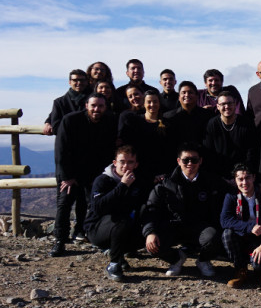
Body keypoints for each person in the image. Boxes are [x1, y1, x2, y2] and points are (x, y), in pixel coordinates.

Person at [142, 144, 228, 278]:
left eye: (194, 160)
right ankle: (176, 259)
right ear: (178, 161)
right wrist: (150, 232)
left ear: (200, 161)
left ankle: (203, 260)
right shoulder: (165, 183)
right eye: (185, 160)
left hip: (200, 227)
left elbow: (230, 196)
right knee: (153, 245)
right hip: (174, 226)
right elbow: (151, 209)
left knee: (215, 237)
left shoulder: (212, 181)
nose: (190, 163)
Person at [51, 93, 117, 256]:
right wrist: (67, 176)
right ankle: (60, 240)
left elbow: (109, 150)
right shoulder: (70, 120)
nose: (97, 109)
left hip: (94, 172)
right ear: (86, 105)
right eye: (93, 105)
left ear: (105, 107)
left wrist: (105, 176)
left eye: (100, 106)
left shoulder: (109, 122)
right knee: (65, 203)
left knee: (95, 205)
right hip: (69, 171)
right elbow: (61, 150)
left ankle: (97, 238)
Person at [85, 145, 151, 282]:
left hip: (123, 228)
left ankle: (119, 252)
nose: (125, 165)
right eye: (122, 161)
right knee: (122, 220)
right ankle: (114, 264)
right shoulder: (102, 180)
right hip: (97, 229)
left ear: (136, 164)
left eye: (130, 162)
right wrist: (122, 186)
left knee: (145, 231)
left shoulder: (137, 182)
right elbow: (98, 208)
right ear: (115, 163)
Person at [220, 164, 261, 290]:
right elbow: (225, 220)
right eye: (240, 179)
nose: (244, 182)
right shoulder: (231, 196)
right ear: (235, 180)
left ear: (254, 178)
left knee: (258, 265)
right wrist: (250, 226)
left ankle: (260, 270)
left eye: (248, 178)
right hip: (242, 235)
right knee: (227, 234)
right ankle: (240, 269)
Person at [117, 90, 171, 181]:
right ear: (144, 104)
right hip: (140, 171)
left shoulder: (168, 123)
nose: (152, 104)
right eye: (149, 102)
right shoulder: (135, 122)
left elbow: (170, 149)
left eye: (155, 101)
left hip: (162, 171)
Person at [204, 92, 257, 179]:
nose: (227, 106)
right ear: (218, 107)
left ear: (235, 104)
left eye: (229, 103)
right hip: (218, 175)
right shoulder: (212, 124)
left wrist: (241, 175)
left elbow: (251, 153)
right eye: (223, 104)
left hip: (242, 175)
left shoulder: (247, 124)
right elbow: (209, 153)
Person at [164, 81, 215, 152]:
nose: (187, 95)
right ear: (179, 97)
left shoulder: (208, 116)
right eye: (183, 92)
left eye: (190, 92)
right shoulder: (168, 117)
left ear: (197, 96)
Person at [43, 69, 89, 135]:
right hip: (68, 143)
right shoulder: (59, 102)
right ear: (69, 82)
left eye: (82, 80)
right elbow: (56, 127)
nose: (79, 82)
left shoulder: (95, 101)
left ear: (86, 82)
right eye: (75, 80)